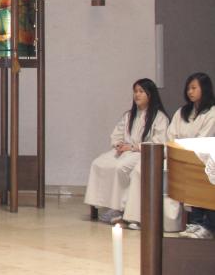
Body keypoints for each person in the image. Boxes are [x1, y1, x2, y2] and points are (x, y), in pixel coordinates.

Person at [84, 78, 169, 230]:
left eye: (141, 91)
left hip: (141, 152)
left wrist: (134, 147)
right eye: (135, 91)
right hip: (124, 150)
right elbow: (117, 133)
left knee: (121, 167)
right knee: (98, 163)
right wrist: (118, 144)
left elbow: (159, 141)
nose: (137, 95)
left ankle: (120, 207)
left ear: (150, 94)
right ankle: (101, 204)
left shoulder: (159, 117)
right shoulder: (129, 115)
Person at [169, 73, 215, 239]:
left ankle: (206, 225)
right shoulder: (182, 111)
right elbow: (171, 134)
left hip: (203, 157)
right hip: (182, 156)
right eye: (188, 88)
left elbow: (204, 138)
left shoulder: (212, 112)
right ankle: (196, 222)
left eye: (194, 88)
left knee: (201, 179)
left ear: (205, 89)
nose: (190, 92)